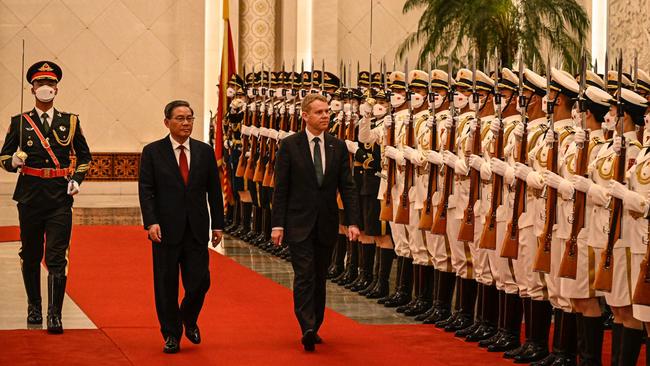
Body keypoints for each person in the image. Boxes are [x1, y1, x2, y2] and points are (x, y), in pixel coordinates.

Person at [0, 60, 92, 334]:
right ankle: (34, 307)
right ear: (32, 89)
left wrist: (77, 179)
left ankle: (55, 314)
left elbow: (85, 156)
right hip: (29, 197)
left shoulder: (70, 122)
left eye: (50, 84)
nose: (45, 88)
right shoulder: (20, 122)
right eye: (41, 83)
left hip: (59, 199)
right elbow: (3, 156)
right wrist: (12, 161)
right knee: (30, 254)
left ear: (57, 89)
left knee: (56, 257)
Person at [271, 93, 360, 352]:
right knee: (304, 274)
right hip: (298, 222)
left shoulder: (337, 146)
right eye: (319, 112)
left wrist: (352, 222)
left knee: (320, 275)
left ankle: (316, 324)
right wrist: (278, 225)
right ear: (305, 116)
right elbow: (281, 188)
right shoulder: (290, 146)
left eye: (327, 112)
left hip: (326, 223)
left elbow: (348, 187)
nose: (325, 116)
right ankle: (306, 326)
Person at [138, 100, 224, 354]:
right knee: (165, 284)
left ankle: (188, 317)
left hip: (196, 228)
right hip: (164, 229)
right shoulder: (153, 152)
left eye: (189, 118)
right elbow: (146, 190)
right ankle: (171, 334)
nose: (186, 123)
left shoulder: (204, 151)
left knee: (200, 283)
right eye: (180, 118)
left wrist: (218, 224)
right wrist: (151, 222)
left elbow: (214, 191)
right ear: (167, 122)